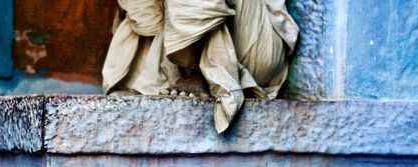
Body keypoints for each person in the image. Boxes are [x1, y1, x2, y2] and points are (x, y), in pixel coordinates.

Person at [102, 0, 299, 133]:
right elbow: (146, 19)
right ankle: (189, 68)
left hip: (253, 47)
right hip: (172, 57)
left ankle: (201, 73)